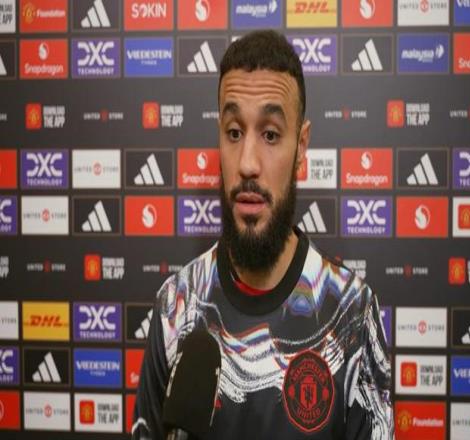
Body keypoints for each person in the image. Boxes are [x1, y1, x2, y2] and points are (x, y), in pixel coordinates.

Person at [132, 30, 394, 440]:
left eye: (270, 134)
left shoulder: (352, 315)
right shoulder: (176, 306)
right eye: (234, 132)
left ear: (301, 145)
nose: (248, 163)